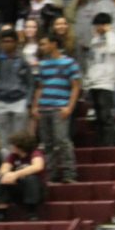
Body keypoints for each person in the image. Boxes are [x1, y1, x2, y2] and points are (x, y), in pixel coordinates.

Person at [32, 33, 80, 183]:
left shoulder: (69, 63)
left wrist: (69, 107)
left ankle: (69, 174)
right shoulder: (43, 64)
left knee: (62, 140)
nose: (42, 47)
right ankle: (50, 174)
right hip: (44, 106)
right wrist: (35, 105)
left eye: (44, 44)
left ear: (54, 44)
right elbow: (40, 87)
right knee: (47, 143)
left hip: (60, 107)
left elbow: (76, 86)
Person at [0, 30, 33, 148]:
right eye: (4, 41)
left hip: (19, 100)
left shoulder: (23, 61)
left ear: (16, 42)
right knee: (4, 139)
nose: (7, 44)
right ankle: (6, 164)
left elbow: (30, 83)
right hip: (1, 102)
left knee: (19, 136)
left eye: (10, 41)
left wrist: (28, 102)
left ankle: (18, 164)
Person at [86, 12, 115, 146]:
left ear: (106, 25)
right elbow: (91, 60)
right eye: (96, 25)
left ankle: (109, 144)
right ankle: (101, 142)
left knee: (106, 115)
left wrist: (107, 34)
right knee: (98, 116)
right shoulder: (94, 40)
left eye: (100, 25)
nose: (98, 28)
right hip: (94, 82)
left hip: (107, 82)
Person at [0, 131, 46, 221]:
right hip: (19, 188)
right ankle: (1, 212)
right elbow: (3, 169)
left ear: (21, 145)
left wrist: (16, 174)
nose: (11, 147)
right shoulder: (13, 156)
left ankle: (32, 212)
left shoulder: (35, 153)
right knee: (2, 178)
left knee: (31, 178)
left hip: (37, 189)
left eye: (13, 145)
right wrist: (7, 175)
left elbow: (38, 166)